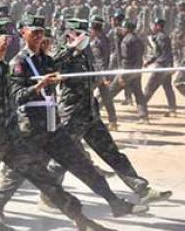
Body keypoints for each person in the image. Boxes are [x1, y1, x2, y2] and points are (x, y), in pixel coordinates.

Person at [0, 21, 118, 231]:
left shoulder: (5, 68)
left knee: (45, 179)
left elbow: (17, 96)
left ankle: (82, 221)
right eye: (3, 41)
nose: (7, 45)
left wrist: (39, 85)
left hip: (11, 137)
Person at [0, 16, 148, 229]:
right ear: (23, 33)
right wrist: (39, 85)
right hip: (31, 127)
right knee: (18, 172)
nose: (39, 36)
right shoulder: (19, 63)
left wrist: (72, 51)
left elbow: (60, 64)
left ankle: (115, 202)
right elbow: (16, 96)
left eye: (41, 32)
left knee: (82, 165)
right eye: (34, 32)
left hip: (53, 124)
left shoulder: (46, 60)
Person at [49, 19, 172, 205]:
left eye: (86, 35)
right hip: (72, 115)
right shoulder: (63, 54)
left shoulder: (86, 55)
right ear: (69, 35)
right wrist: (71, 48)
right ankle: (49, 195)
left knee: (113, 154)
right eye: (79, 35)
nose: (84, 38)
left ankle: (142, 189)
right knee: (62, 158)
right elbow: (51, 66)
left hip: (90, 114)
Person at [108, 21, 150, 123]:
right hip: (136, 71)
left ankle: (95, 112)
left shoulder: (126, 41)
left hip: (126, 72)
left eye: (123, 28)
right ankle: (144, 116)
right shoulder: (138, 39)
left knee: (109, 93)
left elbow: (125, 59)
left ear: (127, 29)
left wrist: (121, 75)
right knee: (138, 94)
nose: (122, 30)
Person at [143, 18, 177, 117]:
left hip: (161, 66)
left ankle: (142, 107)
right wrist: (149, 62)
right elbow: (159, 53)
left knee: (150, 87)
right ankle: (172, 109)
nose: (152, 27)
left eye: (153, 25)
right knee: (167, 88)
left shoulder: (161, 37)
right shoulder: (161, 36)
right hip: (165, 66)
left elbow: (164, 53)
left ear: (158, 26)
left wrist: (166, 66)